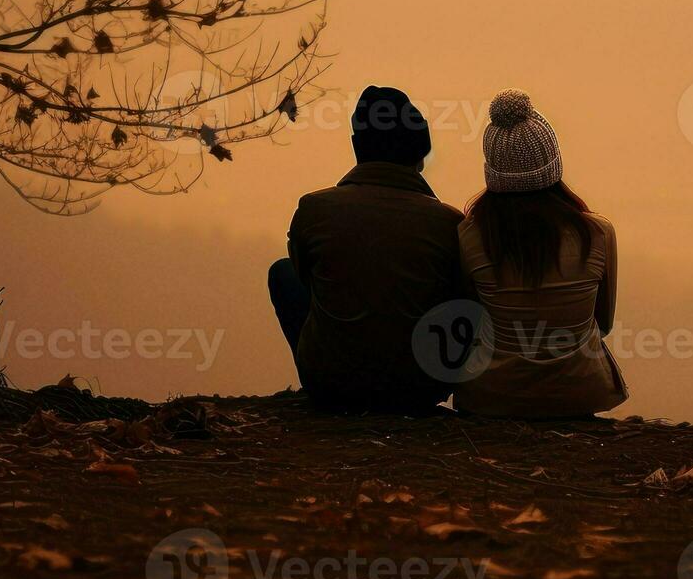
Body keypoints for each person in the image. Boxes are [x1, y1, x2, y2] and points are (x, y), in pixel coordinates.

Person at [268, 86, 465, 411]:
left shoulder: (314, 210)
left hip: (332, 386)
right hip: (420, 388)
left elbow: (307, 280)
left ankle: (324, 377)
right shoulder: (449, 223)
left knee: (283, 272)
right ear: (420, 153)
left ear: (358, 148)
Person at [453, 89, 627, 418]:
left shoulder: (469, 235)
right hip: (578, 393)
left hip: (492, 395)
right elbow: (602, 323)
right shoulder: (598, 234)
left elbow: (470, 317)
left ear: (492, 169)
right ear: (553, 164)